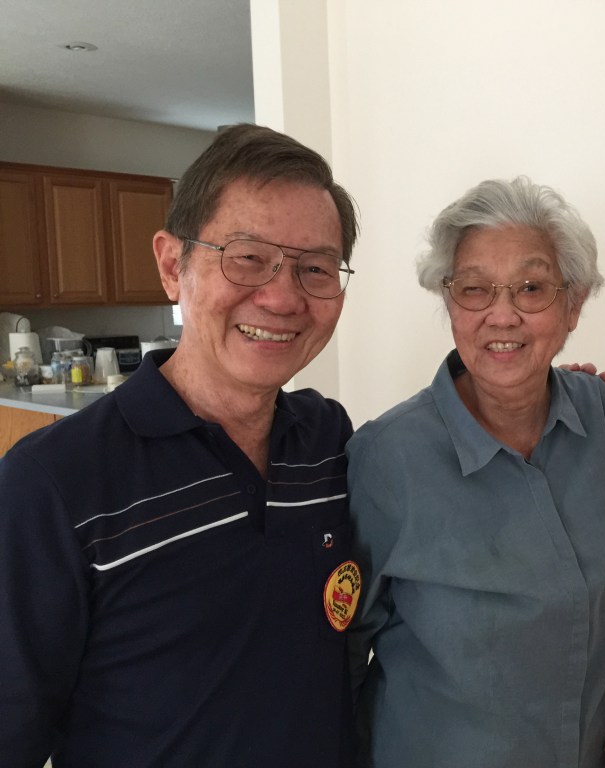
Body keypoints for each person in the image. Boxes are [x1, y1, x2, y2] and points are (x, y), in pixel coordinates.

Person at [0, 124, 362, 767]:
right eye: (247, 257)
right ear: (173, 266)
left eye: (315, 268)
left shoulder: (330, 442)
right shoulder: (50, 485)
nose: (283, 297)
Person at [347, 177, 605, 767]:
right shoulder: (386, 460)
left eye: (531, 288)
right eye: (474, 289)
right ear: (450, 304)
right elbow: (335, 659)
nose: (502, 315)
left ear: (573, 306)